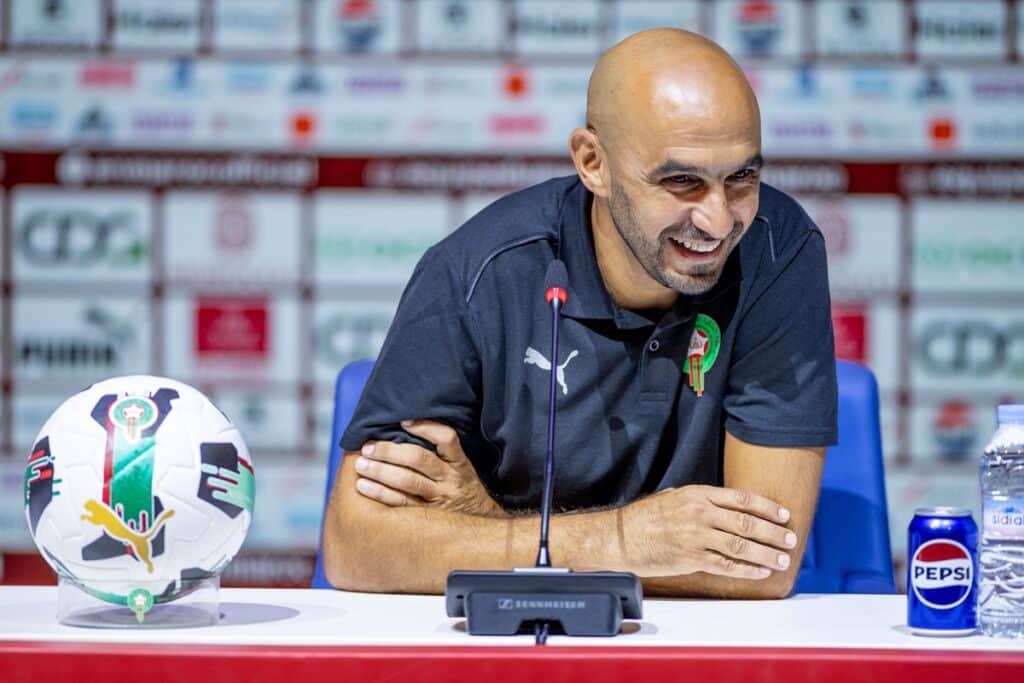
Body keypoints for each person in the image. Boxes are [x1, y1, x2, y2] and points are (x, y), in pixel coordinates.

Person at [322, 28, 837, 599]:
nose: (718, 221)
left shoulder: (776, 249)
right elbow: (357, 549)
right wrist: (623, 540)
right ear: (593, 162)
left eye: (742, 177)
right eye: (681, 181)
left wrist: (484, 527)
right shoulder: (477, 269)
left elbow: (763, 564)